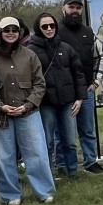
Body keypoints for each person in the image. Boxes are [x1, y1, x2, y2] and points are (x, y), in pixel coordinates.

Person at [0, 17, 56, 205]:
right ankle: (10, 195)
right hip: (0, 113)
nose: (11, 33)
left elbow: (40, 84)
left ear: (20, 33)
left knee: (37, 152)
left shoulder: (30, 55)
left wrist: (28, 105)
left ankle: (44, 191)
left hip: (28, 112)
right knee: (4, 156)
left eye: (14, 30)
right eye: (6, 30)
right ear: (0, 33)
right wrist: (0, 104)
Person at [29, 13, 87, 179]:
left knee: (69, 141)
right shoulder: (31, 51)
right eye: (44, 26)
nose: (49, 29)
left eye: (52, 25)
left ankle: (73, 172)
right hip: (45, 103)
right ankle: (47, 175)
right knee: (46, 142)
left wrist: (80, 98)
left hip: (68, 101)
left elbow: (79, 73)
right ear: (38, 29)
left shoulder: (66, 47)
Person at [57, 0, 103, 173]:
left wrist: (96, 81)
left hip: (86, 89)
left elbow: (99, 57)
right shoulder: (56, 31)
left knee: (87, 129)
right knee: (63, 133)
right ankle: (63, 165)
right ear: (64, 9)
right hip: (65, 92)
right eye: (72, 7)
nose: (75, 10)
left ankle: (90, 161)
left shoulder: (88, 31)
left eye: (78, 7)